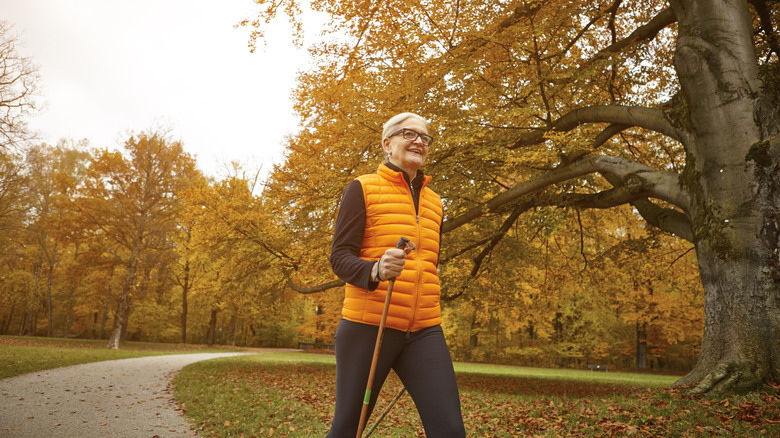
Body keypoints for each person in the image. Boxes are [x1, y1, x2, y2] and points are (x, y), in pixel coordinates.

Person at [327, 112, 466, 437]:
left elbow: (429, 264)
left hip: (424, 330)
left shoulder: (435, 202)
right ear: (387, 144)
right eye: (409, 133)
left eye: (425, 137)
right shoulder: (362, 188)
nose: (419, 141)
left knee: (450, 430)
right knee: (349, 427)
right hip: (368, 327)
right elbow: (339, 257)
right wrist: (374, 269)